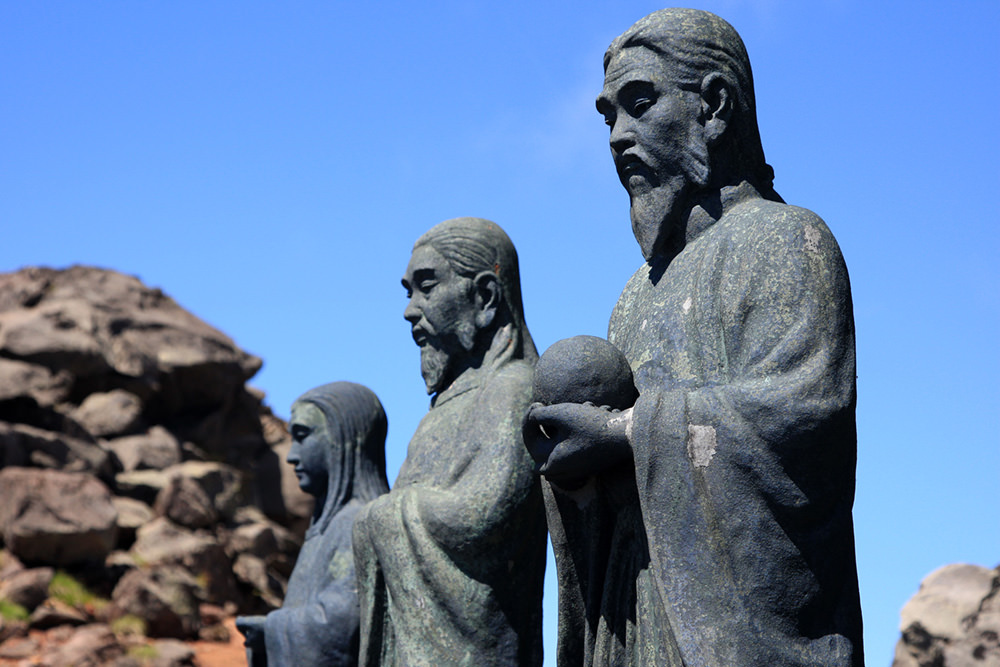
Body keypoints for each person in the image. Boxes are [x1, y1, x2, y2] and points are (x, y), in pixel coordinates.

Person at [524, 9, 864, 666]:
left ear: (712, 105)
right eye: (607, 118)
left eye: (640, 103)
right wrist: (575, 475)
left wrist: (629, 431)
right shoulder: (634, 295)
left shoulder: (788, 240)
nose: (618, 136)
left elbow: (806, 417)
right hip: (636, 619)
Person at [353, 217, 546, 667]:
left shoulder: (513, 389)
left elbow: (480, 518)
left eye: (427, 286)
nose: (410, 309)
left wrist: (382, 515)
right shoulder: (438, 414)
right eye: (408, 292)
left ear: (484, 296)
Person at [236, 381, 390, 667]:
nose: (292, 456)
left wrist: (270, 630)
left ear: (345, 436)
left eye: (303, 435)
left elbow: (341, 626)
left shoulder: (363, 521)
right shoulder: (326, 527)